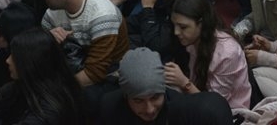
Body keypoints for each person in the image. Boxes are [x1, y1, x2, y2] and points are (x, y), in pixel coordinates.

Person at [40, 0, 129, 93]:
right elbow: (38, 50)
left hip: (108, 75)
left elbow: (94, 74)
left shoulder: (102, 16)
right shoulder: (53, 11)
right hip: (71, 64)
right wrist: (47, 38)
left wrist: (54, 91)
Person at [164, 0, 251, 110]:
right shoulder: (194, 41)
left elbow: (214, 108)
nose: (176, 32)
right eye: (174, 25)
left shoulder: (227, 54)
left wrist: (184, 83)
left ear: (201, 23)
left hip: (230, 113)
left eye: (183, 27)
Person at [100, 47, 234, 124]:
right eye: (138, 100)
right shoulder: (110, 108)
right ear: (126, 96)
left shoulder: (180, 111)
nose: (150, 110)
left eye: (155, 98)